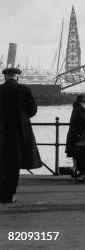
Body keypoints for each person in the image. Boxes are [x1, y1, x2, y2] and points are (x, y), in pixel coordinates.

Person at [0, 68, 42, 203]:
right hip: (19, 133)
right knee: (13, 164)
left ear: (5, 76)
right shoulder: (24, 90)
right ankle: (9, 195)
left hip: (1, 132)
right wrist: (22, 116)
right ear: (17, 77)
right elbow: (33, 110)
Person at [65, 94, 85, 171]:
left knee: (75, 153)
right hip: (78, 134)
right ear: (82, 102)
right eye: (84, 102)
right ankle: (78, 169)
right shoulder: (81, 109)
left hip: (73, 134)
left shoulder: (75, 108)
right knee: (79, 152)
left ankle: (75, 168)